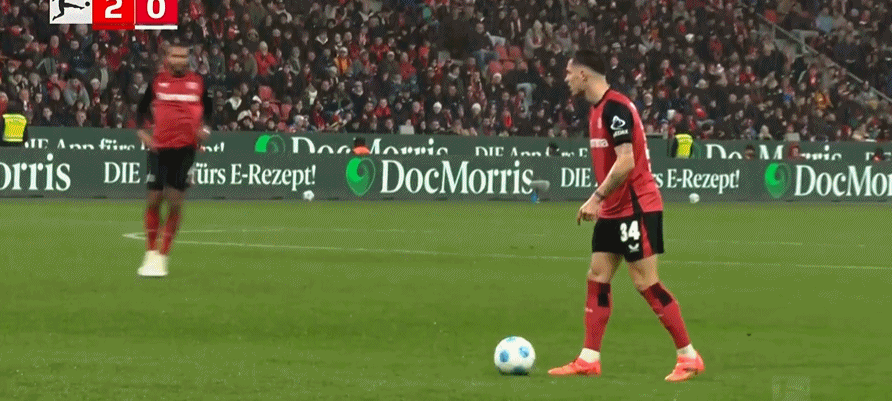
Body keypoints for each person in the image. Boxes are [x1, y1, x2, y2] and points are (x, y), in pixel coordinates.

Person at [549, 50, 704, 382]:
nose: (566, 78)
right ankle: (589, 358)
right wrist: (603, 202)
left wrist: (596, 198)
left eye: (569, 72)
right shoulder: (597, 109)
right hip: (614, 208)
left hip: (637, 206)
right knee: (597, 275)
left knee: (645, 282)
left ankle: (689, 356)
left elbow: (626, 161)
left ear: (584, 75)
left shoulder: (616, 108)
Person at [135, 43, 212, 277]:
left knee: (175, 203)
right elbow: (141, 109)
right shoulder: (157, 81)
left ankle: (163, 256)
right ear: (167, 58)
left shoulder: (198, 82)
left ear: (188, 59)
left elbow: (209, 109)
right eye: (175, 55)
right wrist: (142, 132)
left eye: (183, 56)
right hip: (159, 148)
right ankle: (150, 253)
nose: (179, 59)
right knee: (154, 200)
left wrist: (206, 129)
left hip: (185, 149)